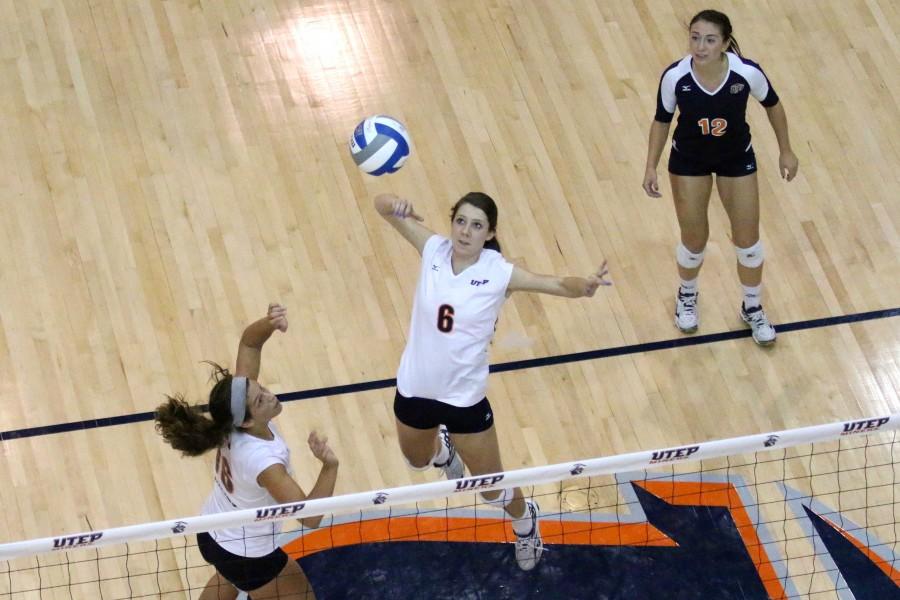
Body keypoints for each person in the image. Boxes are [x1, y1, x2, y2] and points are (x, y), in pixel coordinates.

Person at [374, 191, 611, 571]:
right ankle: (443, 451)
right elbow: (381, 206)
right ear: (451, 222)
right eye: (461, 221)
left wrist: (585, 285)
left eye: (477, 225)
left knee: (491, 489)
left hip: (464, 399)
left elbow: (552, 284)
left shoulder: (499, 272)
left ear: (490, 233)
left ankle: (525, 520)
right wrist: (394, 203)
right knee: (417, 460)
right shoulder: (433, 249)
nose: (466, 231)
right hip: (416, 388)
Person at [155, 304, 338, 600]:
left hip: (214, 531)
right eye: (261, 400)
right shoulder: (263, 462)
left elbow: (250, 342)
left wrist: (269, 323)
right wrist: (329, 466)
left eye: (261, 388)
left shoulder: (234, 416)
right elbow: (309, 517)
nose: (269, 395)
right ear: (249, 420)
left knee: (228, 578)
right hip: (248, 554)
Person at [642, 9, 799, 346]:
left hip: (736, 158)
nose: (700, 46)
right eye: (695, 37)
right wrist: (650, 165)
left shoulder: (746, 73)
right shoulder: (675, 77)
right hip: (689, 162)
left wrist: (786, 150)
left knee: (749, 243)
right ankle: (687, 295)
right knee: (695, 239)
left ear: (725, 43)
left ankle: (752, 307)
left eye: (710, 39)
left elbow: (773, 105)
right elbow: (661, 120)